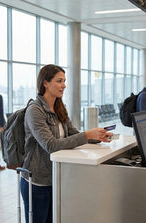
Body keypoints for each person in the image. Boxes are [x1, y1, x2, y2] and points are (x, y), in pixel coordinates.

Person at [21, 64, 112, 223]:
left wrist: (96, 136)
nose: (64, 85)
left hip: (56, 176)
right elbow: (50, 145)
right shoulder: (34, 110)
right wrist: (86, 135)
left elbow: (73, 134)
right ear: (45, 83)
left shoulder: (59, 107)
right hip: (37, 180)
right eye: (59, 81)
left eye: (64, 81)